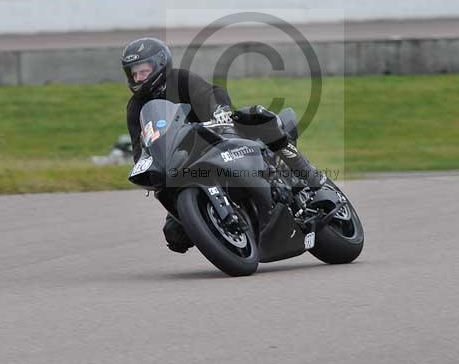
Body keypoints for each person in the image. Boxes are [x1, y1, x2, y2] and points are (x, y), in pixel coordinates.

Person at [121, 37, 327, 254]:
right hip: (183, 163)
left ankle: (305, 171)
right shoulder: (135, 108)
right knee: (175, 235)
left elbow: (209, 93)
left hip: (216, 135)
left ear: (159, 64)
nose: (138, 77)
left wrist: (219, 110)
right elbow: (140, 147)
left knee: (258, 117)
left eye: (143, 71)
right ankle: (229, 228)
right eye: (133, 73)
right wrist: (146, 166)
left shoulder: (179, 80)